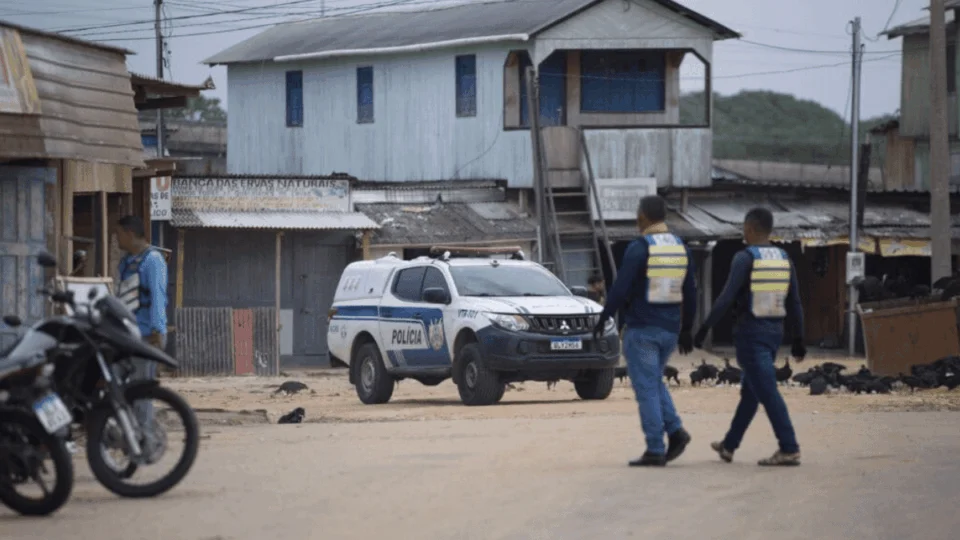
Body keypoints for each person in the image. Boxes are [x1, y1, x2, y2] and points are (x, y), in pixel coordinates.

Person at [692, 207, 806, 467]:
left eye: (744, 227)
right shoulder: (783, 258)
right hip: (774, 333)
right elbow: (795, 302)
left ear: (752, 228)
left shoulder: (744, 258)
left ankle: (789, 447)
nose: (743, 232)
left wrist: (704, 327)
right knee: (751, 392)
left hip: (751, 335)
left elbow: (726, 297)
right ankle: (729, 445)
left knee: (767, 391)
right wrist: (799, 338)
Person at [593, 195, 697, 467]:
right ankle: (675, 431)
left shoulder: (639, 248)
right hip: (670, 330)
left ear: (643, 217)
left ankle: (655, 448)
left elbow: (621, 287)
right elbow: (691, 291)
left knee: (646, 388)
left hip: (642, 330)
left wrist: (604, 317)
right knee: (654, 381)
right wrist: (687, 328)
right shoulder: (680, 247)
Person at [116, 215, 168, 451]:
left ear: (129, 233)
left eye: (118, 234)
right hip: (128, 335)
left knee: (143, 392)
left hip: (148, 335)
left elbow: (158, 297)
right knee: (127, 390)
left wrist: (157, 332)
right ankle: (133, 435)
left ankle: (146, 441)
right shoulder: (126, 262)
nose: (116, 238)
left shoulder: (153, 260)